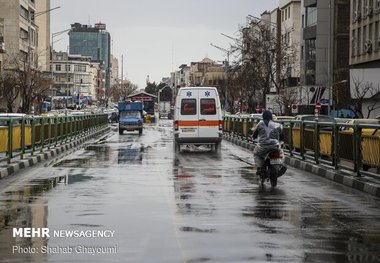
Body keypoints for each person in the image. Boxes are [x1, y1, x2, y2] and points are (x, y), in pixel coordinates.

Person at [251, 110, 286, 177]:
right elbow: (282, 137)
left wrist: (253, 138)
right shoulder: (277, 125)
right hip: (275, 146)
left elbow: (255, 134)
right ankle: (281, 165)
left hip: (262, 147)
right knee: (281, 152)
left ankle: (259, 168)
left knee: (256, 154)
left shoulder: (260, 124)